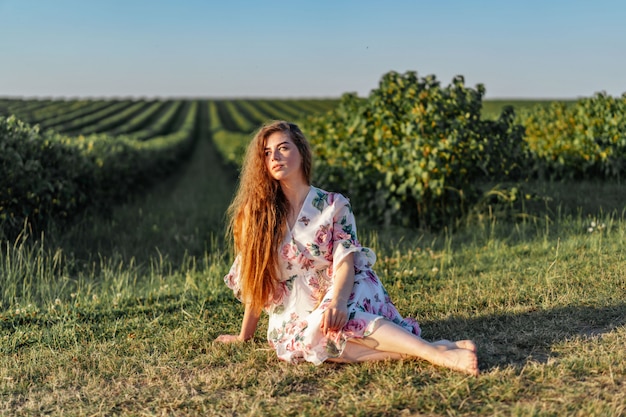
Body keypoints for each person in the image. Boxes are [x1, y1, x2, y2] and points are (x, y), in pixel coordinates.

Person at [214, 120, 479, 376]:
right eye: (267, 152)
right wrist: (243, 336)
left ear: (301, 152)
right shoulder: (258, 213)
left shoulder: (333, 204)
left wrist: (338, 302)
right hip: (294, 309)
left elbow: (345, 262)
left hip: (343, 285)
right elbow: (256, 277)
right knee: (315, 345)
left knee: (339, 319)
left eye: (283, 147)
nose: (275, 156)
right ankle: (432, 348)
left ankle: (436, 355)